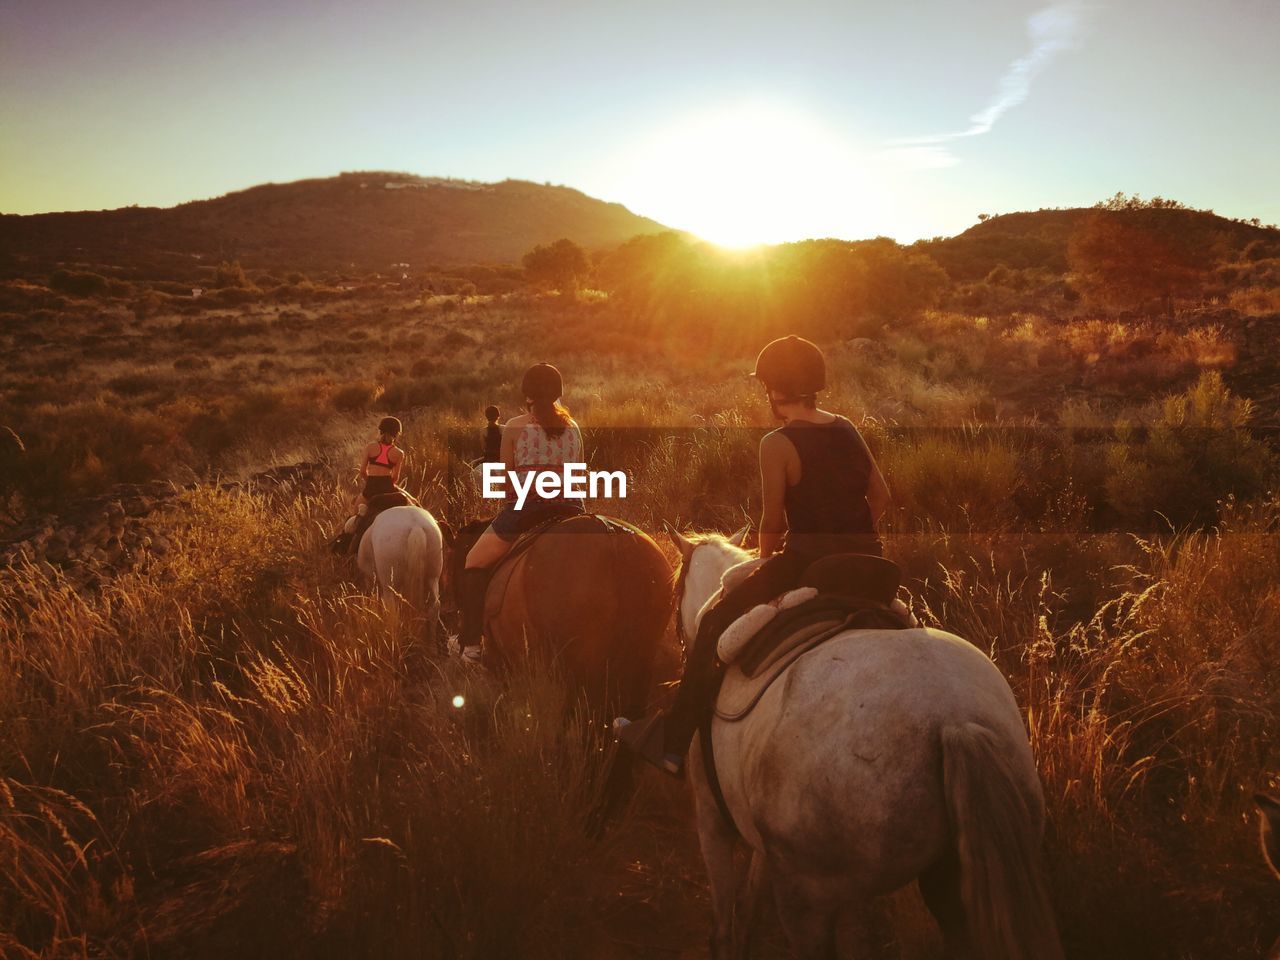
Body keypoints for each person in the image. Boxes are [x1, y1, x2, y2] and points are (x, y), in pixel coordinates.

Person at [614, 335, 891, 775]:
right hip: (871, 562)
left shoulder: (777, 443)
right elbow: (880, 495)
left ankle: (671, 743)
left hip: (807, 562)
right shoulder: (847, 427)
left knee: (713, 622)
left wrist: (765, 561)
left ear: (773, 389)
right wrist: (853, 537)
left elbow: (772, 521)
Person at [456, 363, 586, 664]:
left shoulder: (515, 425)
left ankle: (473, 645)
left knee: (472, 562)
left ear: (527, 394)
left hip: (529, 509)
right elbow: (578, 475)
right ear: (558, 393)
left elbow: (504, 481)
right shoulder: (574, 427)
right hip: (571, 509)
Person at [354, 416, 405, 514]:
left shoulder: (370, 447)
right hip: (388, 488)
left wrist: (371, 482)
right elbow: (395, 477)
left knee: (354, 517)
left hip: (371, 488)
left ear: (381, 431)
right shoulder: (399, 453)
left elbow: (362, 472)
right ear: (397, 433)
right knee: (413, 502)